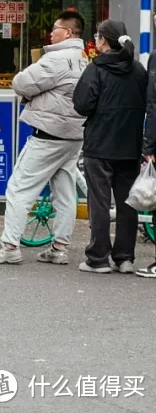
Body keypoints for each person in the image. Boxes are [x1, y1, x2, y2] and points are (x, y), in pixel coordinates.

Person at [0, 12, 87, 265]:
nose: (51, 32)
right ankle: (60, 248)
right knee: (64, 194)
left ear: (69, 33)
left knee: (19, 189)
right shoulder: (84, 60)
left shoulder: (56, 59)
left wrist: (35, 96)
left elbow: (21, 83)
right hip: (74, 135)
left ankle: (9, 246)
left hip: (48, 135)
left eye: (56, 27)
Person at [73, 20, 147, 274]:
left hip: (100, 145)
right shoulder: (138, 70)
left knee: (100, 202)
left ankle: (98, 258)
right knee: (128, 203)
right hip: (130, 145)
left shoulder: (96, 69)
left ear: (103, 40)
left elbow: (82, 103)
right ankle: (125, 257)